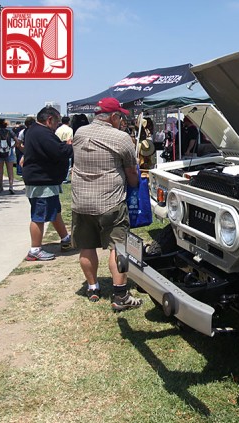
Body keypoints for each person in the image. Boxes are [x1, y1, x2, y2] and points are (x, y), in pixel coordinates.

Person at [71, 97, 141, 310]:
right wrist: (136, 185)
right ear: (113, 116)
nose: (120, 120)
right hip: (110, 200)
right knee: (118, 247)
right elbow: (131, 171)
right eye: (119, 116)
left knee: (86, 246)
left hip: (81, 200)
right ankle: (120, 296)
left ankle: (92, 288)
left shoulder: (80, 132)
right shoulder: (121, 138)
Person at [22, 107, 73, 261]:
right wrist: (71, 146)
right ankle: (35, 250)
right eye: (57, 122)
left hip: (44, 180)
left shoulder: (34, 130)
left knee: (54, 211)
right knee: (39, 215)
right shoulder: (42, 133)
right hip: (41, 182)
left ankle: (65, 238)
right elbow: (58, 151)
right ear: (49, 119)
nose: (57, 126)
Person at [0, 119, 20, 194]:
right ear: (6, 125)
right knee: (10, 170)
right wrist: (12, 147)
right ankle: (11, 186)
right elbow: (17, 141)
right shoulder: (10, 132)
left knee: (0, 170)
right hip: (9, 152)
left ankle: (1, 188)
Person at [55, 116, 74, 183]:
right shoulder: (69, 129)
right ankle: (65, 178)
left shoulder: (58, 129)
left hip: (57, 146)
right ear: (69, 122)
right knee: (68, 164)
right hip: (66, 146)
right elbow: (69, 140)